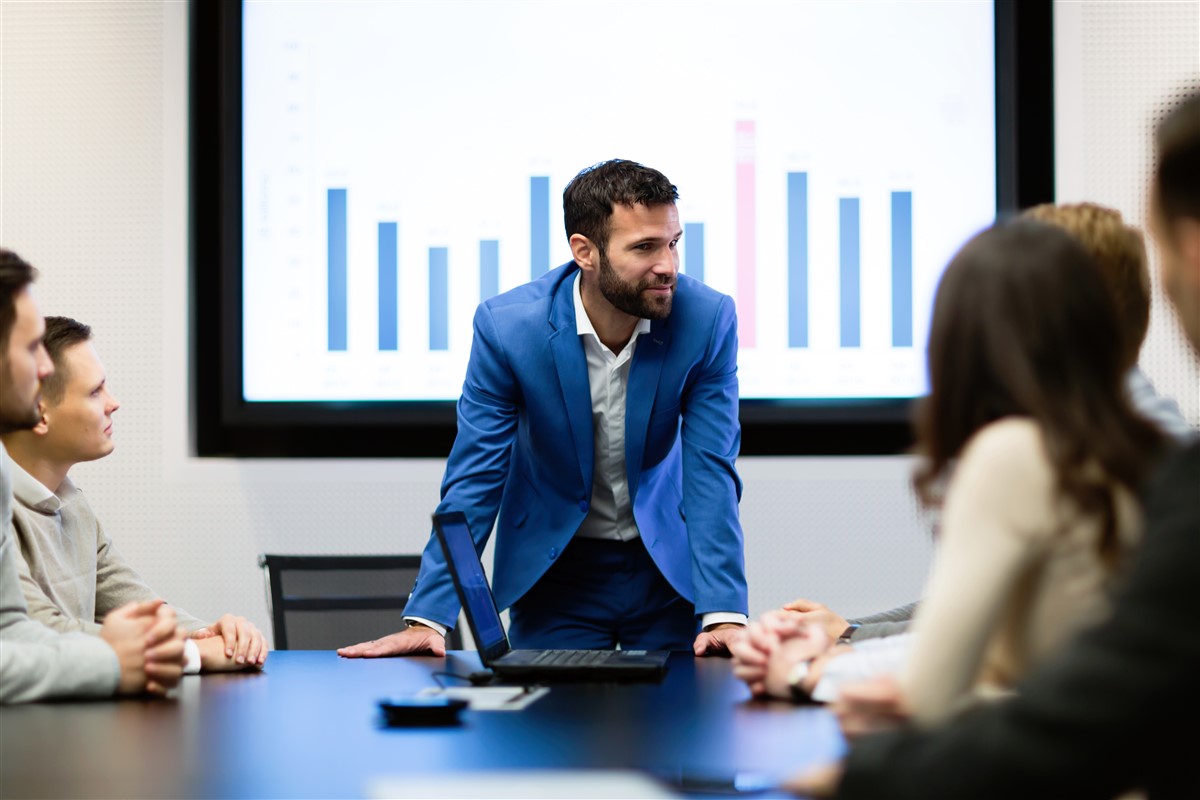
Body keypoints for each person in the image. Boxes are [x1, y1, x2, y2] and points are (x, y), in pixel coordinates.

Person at [786, 91, 1200, 799]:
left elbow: (948, 696)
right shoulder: (1147, 445)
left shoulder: (1022, 453)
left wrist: (811, 684)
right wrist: (851, 635)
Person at [735, 201, 1195, 701]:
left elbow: (940, 681)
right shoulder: (1131, 433)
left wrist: (808, 672)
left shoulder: (1025, 453)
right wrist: (847, 634)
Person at [339, 159, 748, 657]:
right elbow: (476, 475)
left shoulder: (707, 319)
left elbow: (710, 469)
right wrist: (430, 615)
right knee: (547, 724)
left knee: (684, 719)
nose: (668, 265)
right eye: (644, 247)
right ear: (585, 252)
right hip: (557, 569)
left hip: (664, 564)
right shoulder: (509, 328)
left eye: (673, 242)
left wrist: (725, 612)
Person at [2, 315, 267, 672]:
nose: (114, 403)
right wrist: (195, 654)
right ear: (38, 413)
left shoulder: (73, 503)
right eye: (95, 392)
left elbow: (140, 608)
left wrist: (210, 635)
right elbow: (37, 631)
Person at [0, 248, 186, 703]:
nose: (44, 367)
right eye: (29, 349)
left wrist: (201, 637)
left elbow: (12, 632)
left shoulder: (63, 500)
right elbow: (34, 632)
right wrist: (126, 658)